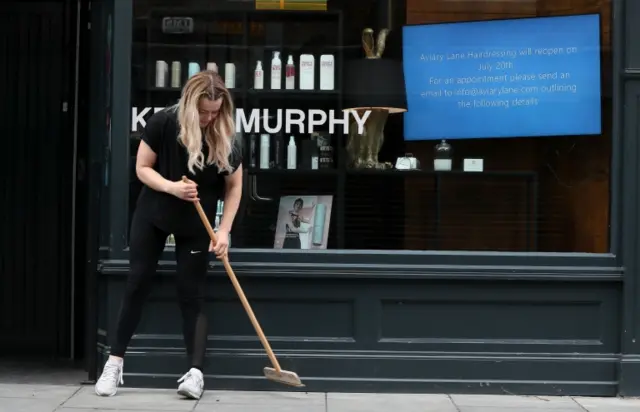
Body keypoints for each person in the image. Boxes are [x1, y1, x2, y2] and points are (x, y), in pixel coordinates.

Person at [94, 71, 243, 399]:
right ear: (190, 104)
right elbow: (142, 168)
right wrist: (172, 188)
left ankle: (195, 373)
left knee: (192, 293)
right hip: (154, 215)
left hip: (195, 227)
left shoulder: (225, 133)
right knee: (137, 281)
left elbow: (234, 187)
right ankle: (114, 363)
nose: (208, 117)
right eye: (203, 111)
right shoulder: (164, 122)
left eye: (215, 111)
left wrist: (224, 231)